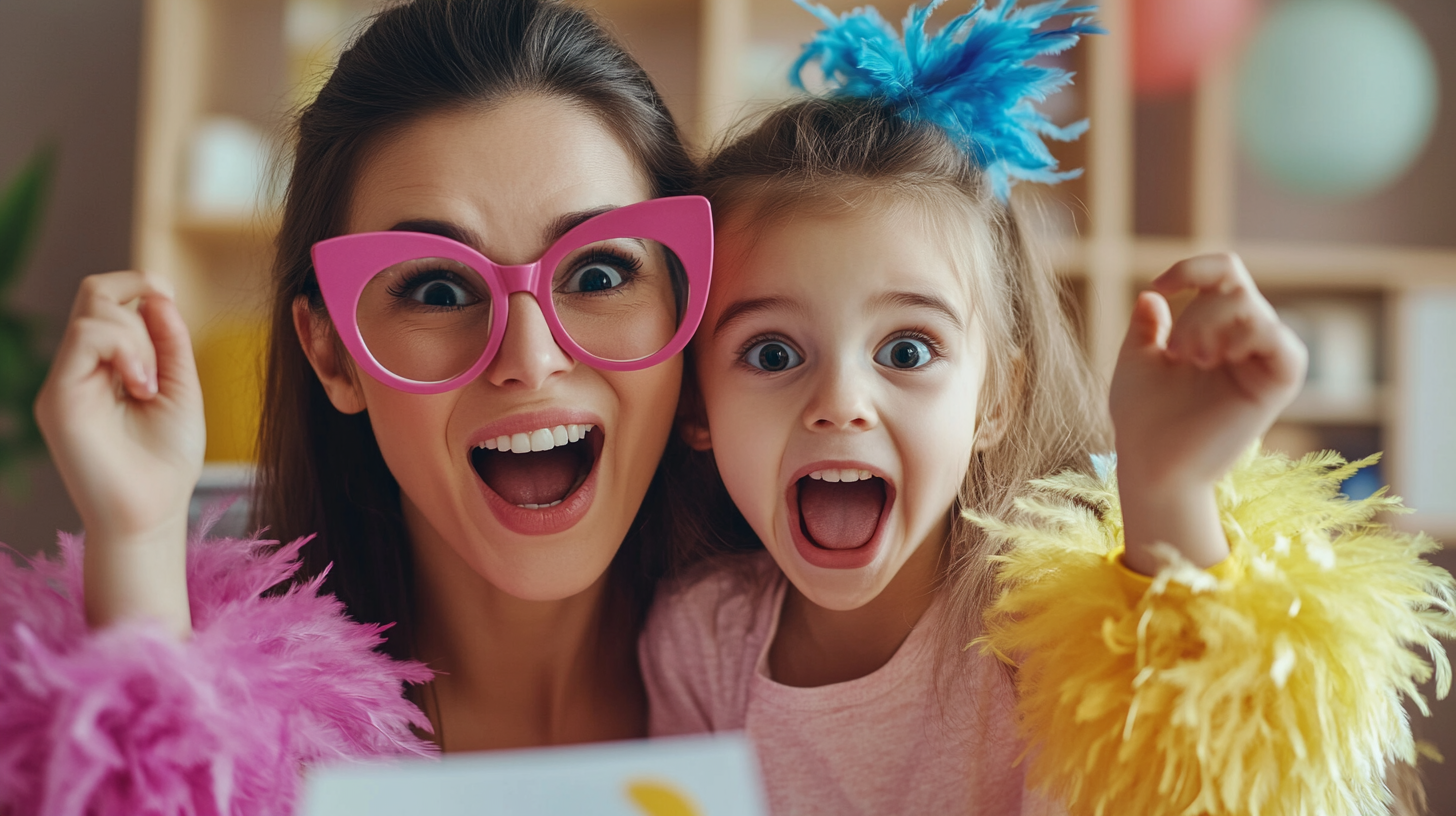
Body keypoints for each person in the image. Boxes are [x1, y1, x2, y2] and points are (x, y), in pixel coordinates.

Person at [639, 2, 1455, 814]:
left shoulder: (1046, 639)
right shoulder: (698, 641)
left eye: (907, 351)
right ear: (698, 404)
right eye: (773, 354)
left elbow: (1203, 775)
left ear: (995, 400)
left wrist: (1166, 483)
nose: (841, 404)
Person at [1, 0, 711, 813]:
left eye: (597, 274)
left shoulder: (805, 682)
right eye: (438, 290)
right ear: (330, 353)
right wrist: (136, 542)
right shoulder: (252, 733)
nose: (531, 360)